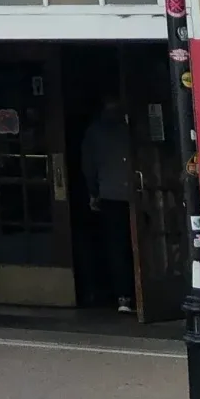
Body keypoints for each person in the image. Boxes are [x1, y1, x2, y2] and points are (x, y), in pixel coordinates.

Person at [81, 95, 136, 313]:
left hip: (110, 193)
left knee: (117, 247)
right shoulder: (130, 128)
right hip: (136, 192)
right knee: (137, 245)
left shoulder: (95, 131)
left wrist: (93, 192)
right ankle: (138, 294)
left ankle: (124, 297)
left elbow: (89, 166)